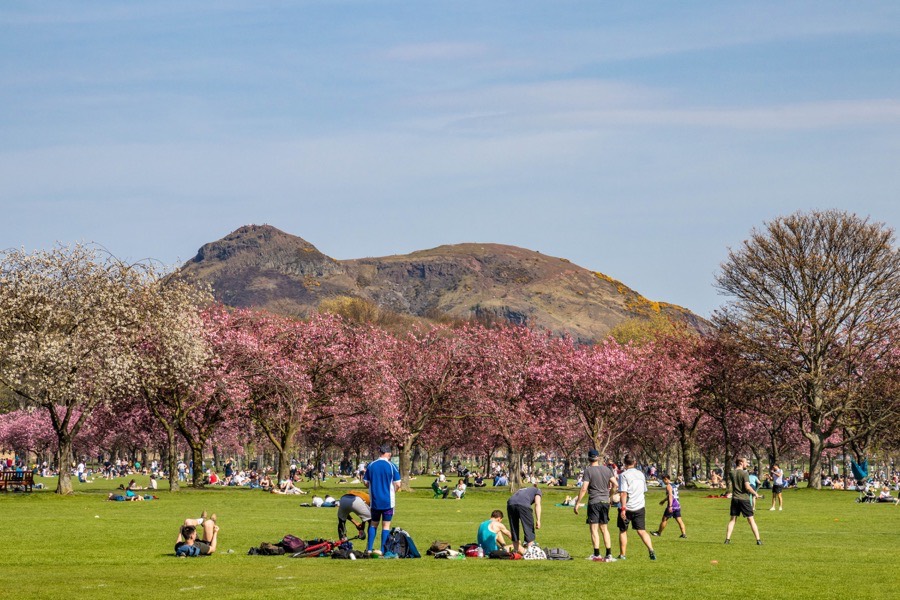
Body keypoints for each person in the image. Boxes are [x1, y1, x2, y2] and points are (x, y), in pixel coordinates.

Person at [573, 449, 618, 561]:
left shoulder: (588, 471)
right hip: (605, 502)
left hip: (594, 502)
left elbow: (584, 488)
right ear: (598, 458)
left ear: (589, 458)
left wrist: (577, 503)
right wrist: (609, 496)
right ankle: (609, 554)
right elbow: (615, 484)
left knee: (594, 529)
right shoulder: (607, 470)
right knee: (604, 528)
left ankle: (597, 554)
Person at [363, 444, 401, 555]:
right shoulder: (391, 466)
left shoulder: (371, 465)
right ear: (388, 454)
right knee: (386, 525)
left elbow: (365, 482)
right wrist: (393, 490)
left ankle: (369, 549)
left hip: (374, 500)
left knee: (373, 524)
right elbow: (398, 484)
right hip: (388, 501)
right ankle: (383, 550)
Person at [616, 454, 656, 561]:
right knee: (642, 531)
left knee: (623, 531)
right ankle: (651, 549)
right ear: (634, 462)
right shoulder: (641, 474)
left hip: (627, 507)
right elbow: (644, 490)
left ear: (624, 463)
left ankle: (622, 554)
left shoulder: (623, 475)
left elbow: (623, 493)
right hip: (639, 506)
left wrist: (623, 508)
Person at [726, 457, 762, 545]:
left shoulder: (731, 472)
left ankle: (727, 539)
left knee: (732, 520)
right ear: (741, 462)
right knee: (751, 520)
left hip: (735, 499)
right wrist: (755, 494)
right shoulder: (745, 473)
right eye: (746, 462)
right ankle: (758, 540)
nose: (747, 464)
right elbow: (747, 487)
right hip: (744, 499)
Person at [506, 483, 542, 553]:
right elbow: (537, 504)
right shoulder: (538, 490)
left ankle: (516, 550)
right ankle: (530, 551)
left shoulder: (522, 490)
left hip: (510, 503)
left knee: (514, 527)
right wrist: (538, 520)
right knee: (528, 526)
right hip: (523, 504)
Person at [651, 473, 686, 539]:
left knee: (664, 519)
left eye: (663, 480)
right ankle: (683, 534)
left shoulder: (668, 486)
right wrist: (664, 500)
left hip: (672, 505)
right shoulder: (674, 485)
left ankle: (658, 533)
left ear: (666, 479)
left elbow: (670, 496)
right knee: (679, 520)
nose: (663, 482)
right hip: (677, 505)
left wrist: (670, 506)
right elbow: (672, 495)